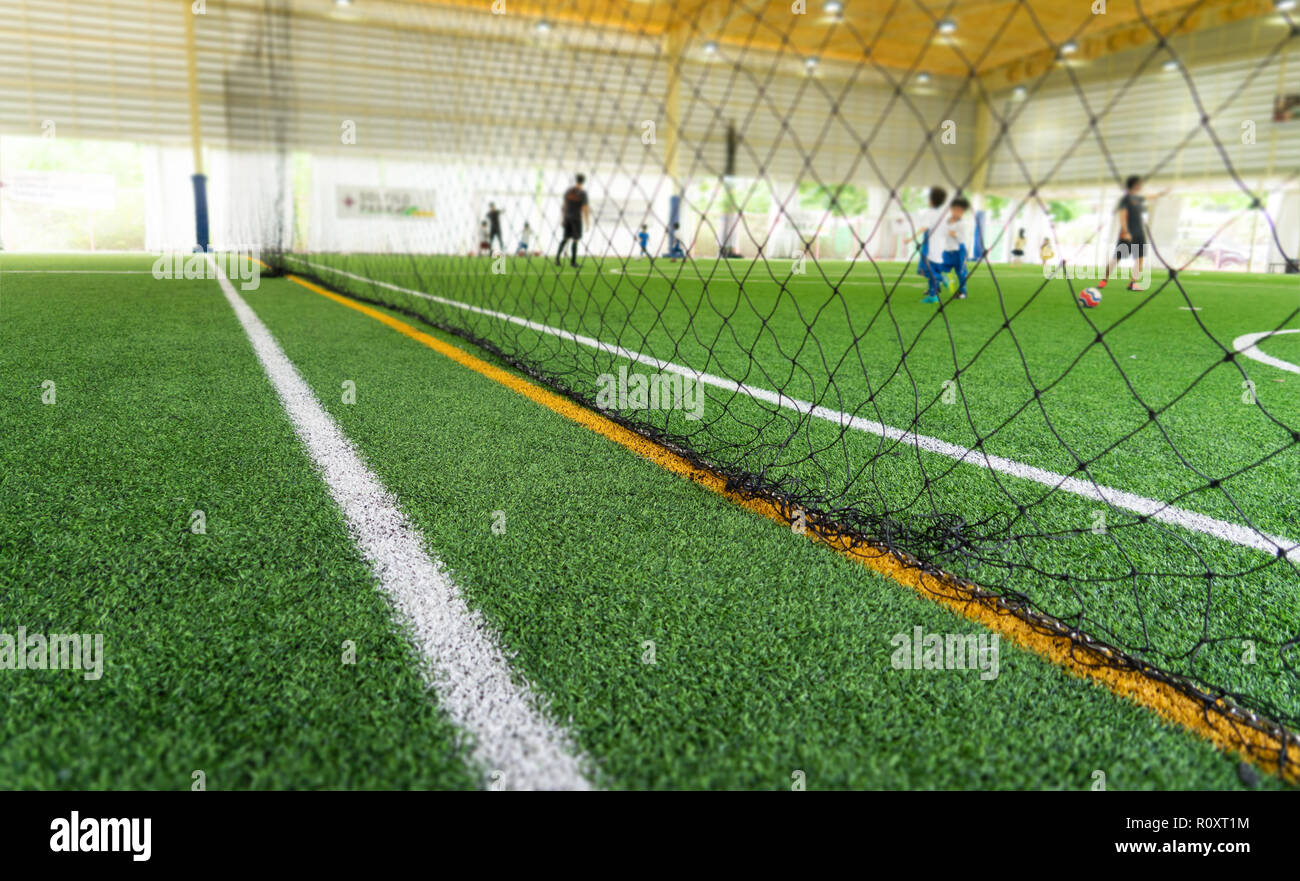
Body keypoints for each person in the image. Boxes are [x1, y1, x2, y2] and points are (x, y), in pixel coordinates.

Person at [1101, 175, 1146, 290]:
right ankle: (1104, 280)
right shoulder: (1126, 199)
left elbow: (1149, 197)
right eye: (1139, 183)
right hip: (1128, 234)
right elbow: (1123, 216)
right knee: (1117, 258)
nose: (1141, 186)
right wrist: (1126, 231)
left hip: (1139, 233)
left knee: (1139, 259)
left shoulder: (1138, 199)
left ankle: (1132, 283)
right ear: (1134, 185)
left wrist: (1162, 193)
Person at [912, 186, 947, 304]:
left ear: (931, 200)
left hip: (930, 246)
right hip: (940, 246)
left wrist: (911, 237)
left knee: (927, 270)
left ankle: (942, 280)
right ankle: (933, 293)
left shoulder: (929, 213)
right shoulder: (943, 214)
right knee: (933, 269)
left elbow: (925, 227)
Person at [933, 197, 972, 299]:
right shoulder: (946, 221)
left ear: (963, 212)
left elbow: (959, 237)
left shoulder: (962, 224)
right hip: (947, 251)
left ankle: (963, 292)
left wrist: (950, 233)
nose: (958, 212)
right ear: (952, 209)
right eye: (956, 209)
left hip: (959, 251)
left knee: (961, 272)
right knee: (938, 269)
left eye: (961, 211)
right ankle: (936, 288)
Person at [556, 174, 590, 267]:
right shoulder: (583, 193)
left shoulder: (569, 191)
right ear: (583, 181)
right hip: (576, 219)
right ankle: (573, 262)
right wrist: (587, 223)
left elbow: (564, 206)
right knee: (575, 240)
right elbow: (585, 208)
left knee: (565, 238)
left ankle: (557, 259)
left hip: (567, 218)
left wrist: (563, 218)